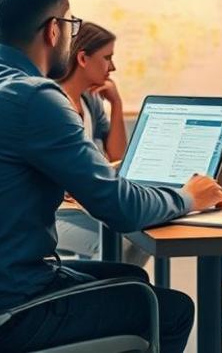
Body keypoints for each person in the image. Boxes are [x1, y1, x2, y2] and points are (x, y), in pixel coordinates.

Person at [0, 0, 222, 353]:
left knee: (132, 278)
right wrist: (188, 197)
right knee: (173, 308)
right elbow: (119, 209)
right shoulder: (33, 96)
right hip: (14, 309)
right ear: (53, 30)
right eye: (70, 22)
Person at [52, 21, 148, 266]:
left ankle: (108, 294)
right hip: (58, 214)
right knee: (129, 243)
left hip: (88, 207)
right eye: (107, 58)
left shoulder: (90, 101)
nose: (112, 67)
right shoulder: (50, 102)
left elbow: (117, 155)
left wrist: (116, 103)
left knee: (141, 232)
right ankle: (96, 296)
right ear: (83, 58)